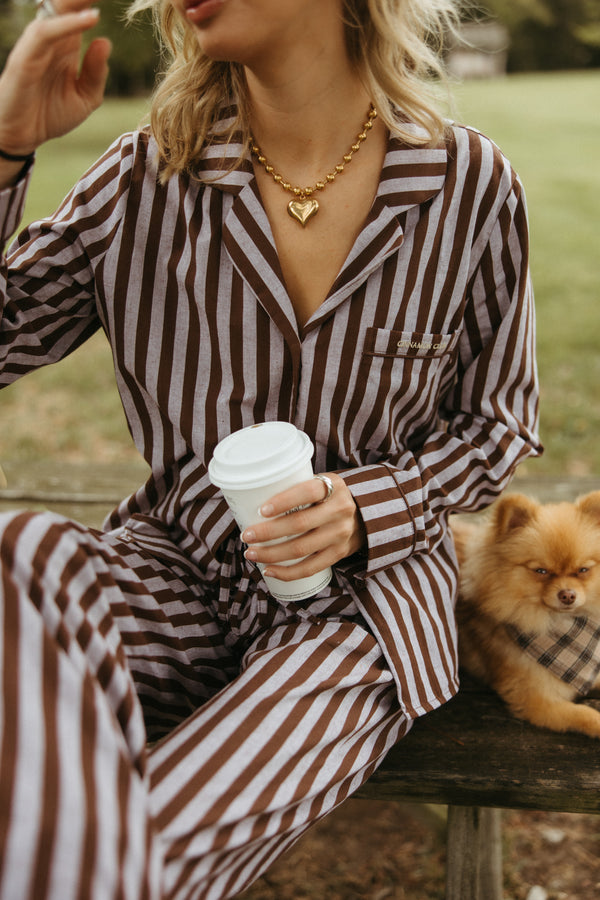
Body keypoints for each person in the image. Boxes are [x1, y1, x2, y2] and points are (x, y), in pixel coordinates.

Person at [0, 0, 542, 897]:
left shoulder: (469, 183)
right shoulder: (144, 176)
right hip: (175, 579)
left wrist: (369, 507)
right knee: (22, 558)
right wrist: (8, 148)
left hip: (358, 620)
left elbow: (499, 424)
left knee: (128, 854)